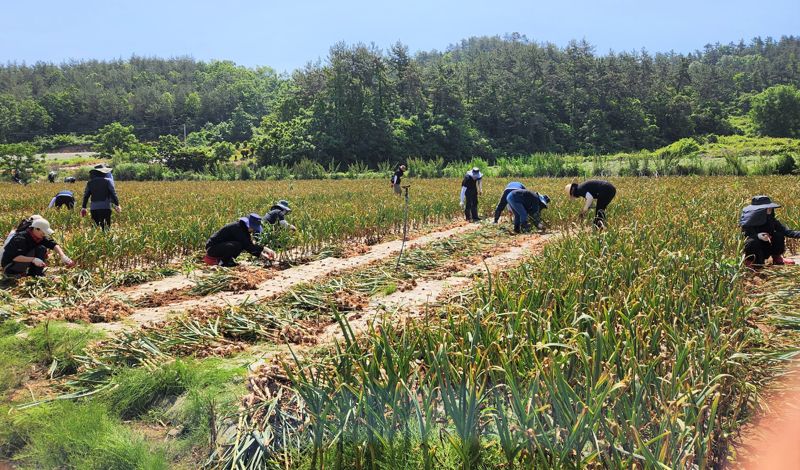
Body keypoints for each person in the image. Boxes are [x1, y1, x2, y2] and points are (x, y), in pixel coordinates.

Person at [1, 215, 75, 277]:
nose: (44, 234)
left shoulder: (38, 236)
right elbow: (15, 257)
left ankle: (35, 274)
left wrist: (63, 256)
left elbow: (53, 244)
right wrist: (33, 259)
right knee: (40, 249)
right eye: (43, 232)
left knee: (41, 248)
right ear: (36, 229)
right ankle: (14, 274)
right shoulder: (20, 238)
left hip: (21, 262)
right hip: (10, 266)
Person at [740, 195, 800, 268]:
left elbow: (786, 231)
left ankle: (777, 257)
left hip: (766, 248)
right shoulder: (747, 223)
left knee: (778, 235)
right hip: (754, 252)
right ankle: (751, 262)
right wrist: (758, 236)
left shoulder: (770, 220)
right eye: (767, 208)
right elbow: (744, 237)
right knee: (751, 241)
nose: (770, 209)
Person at [204, 213, 276, 267]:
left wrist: (261, 255)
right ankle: (223, 262)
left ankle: (228, 261)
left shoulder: (243, 229)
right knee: (237, 245)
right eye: (253, 228)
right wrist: (266, 249)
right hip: (212, 249)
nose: (253, 230)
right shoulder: (237, 228)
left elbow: (248, 246)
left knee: (239, 245)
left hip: (219, 247)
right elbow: (248, 246)